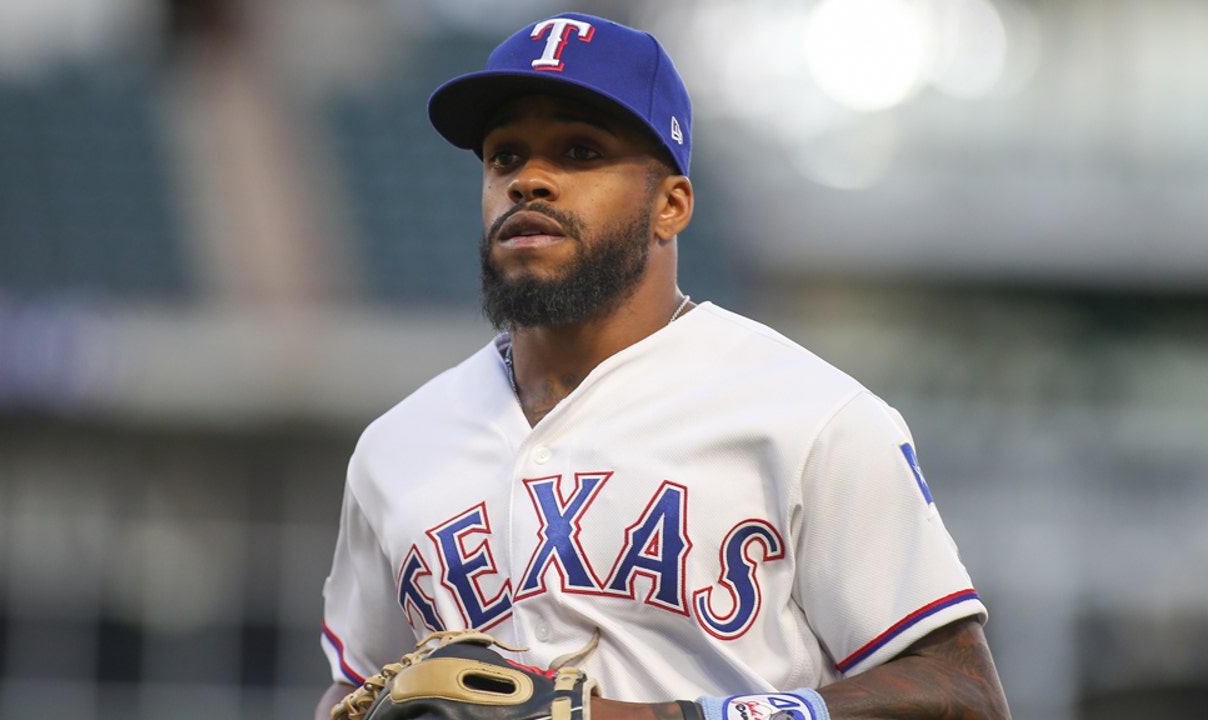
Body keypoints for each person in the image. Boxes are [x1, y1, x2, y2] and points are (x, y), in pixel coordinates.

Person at [316, 12, 1010, 720]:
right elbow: (355, 689)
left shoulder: (814, 418)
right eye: (504, 157)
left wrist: (647, 718)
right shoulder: (396, 448)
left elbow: (964, 696)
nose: (529, 181)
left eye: (580, 151)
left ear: (671, 206)